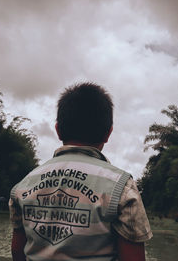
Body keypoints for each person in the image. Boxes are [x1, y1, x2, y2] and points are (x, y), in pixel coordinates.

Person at [9, 82, 152, 261]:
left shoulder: (24, 185)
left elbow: (17, 251)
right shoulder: (122, 188)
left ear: (58, 130)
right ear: (108, 133)